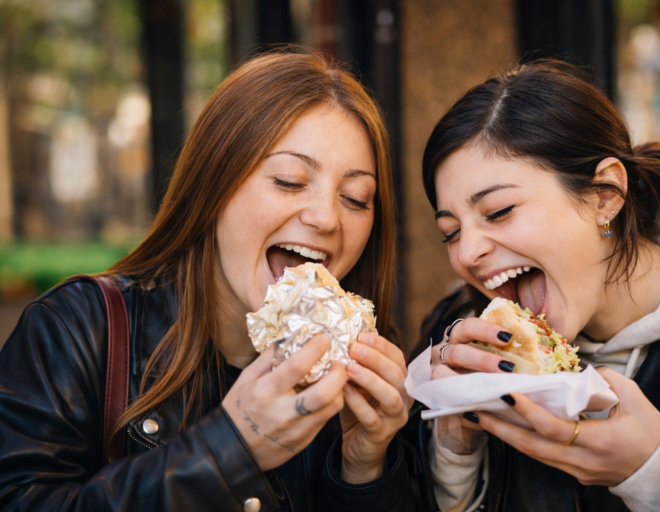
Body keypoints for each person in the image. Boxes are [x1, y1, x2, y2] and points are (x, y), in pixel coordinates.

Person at [0, 51, 416, 512]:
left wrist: (364, 469)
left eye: (356, 198)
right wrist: (229, 449)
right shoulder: (75, 330)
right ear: (213, 184)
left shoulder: (363, 371)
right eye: (289, 180)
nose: (326, 218)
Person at [406, 60, 660, 511]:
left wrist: (659, 472)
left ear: (605, 196)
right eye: (451, 231)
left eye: (498, 211)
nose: (465, 254)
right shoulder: (456, 333)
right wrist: (452, 453)